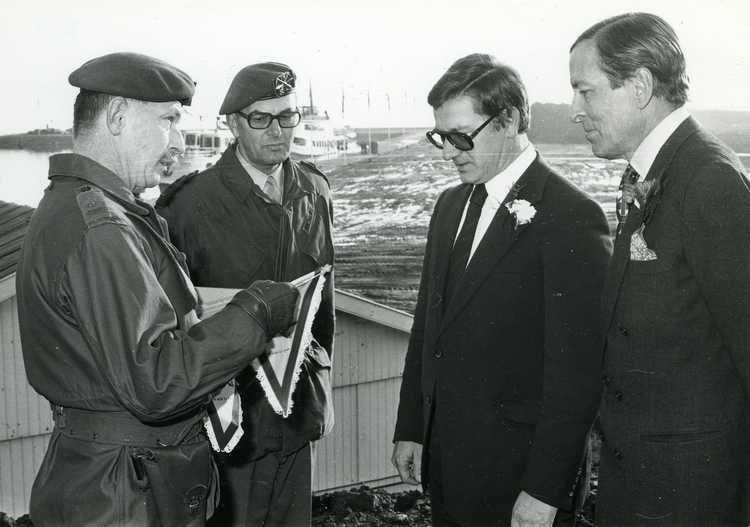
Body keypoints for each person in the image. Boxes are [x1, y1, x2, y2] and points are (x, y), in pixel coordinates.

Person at [15, 52, 300, 527]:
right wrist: (255, 313)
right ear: (118, 117)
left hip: (112, 480)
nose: (180, 139)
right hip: (127, 495)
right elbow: (157, 382)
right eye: (169, 120)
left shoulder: (78, 207)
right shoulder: (102, 228)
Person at [391, 53, 612, 527]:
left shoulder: (572, 218)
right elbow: (429, 326)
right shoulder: (449, 206)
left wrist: (544, 491)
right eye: (440, 138)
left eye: (460, 137)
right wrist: (412, 427)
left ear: (509, 119)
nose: (449, 152)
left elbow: (578, 377)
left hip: (521, 481)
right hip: (449, 465)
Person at [569, 13, 750, 526]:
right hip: (644, 485)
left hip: (692, 497)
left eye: (586, 91)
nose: (574, 110)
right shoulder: (655, 173)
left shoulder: (707, 180)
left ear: (642, 85)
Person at [156, 62, 334, 527]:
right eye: (261, 118)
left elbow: (323, 305)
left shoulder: (314, 190)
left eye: (288, 116)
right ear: (233, 123)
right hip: (228, 424)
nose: (278, 131)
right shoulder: (188, 206)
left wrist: (325, 384)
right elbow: (173, 323)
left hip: (296, 412)